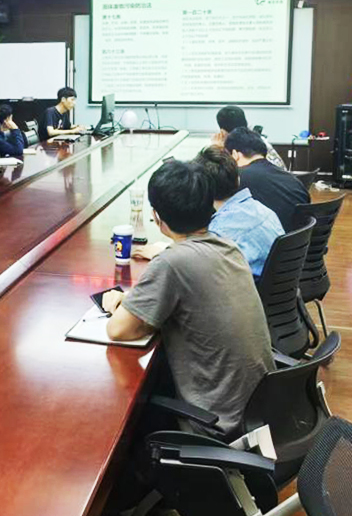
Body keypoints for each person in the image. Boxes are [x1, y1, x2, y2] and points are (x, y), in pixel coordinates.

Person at [100, 160, 273, 437]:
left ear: (157, 217)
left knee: (130, 410)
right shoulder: (228, 247)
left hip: (217, 425)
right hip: (258, 411)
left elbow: (118, 330)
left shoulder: (173, 262)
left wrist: (117, 305)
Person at [193, 146, 284, 277]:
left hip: (245, 288)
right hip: (275, 287)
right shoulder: (266, 212)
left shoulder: (217, 234)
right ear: (238, 179)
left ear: (202, 190)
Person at [224, 127, 310, 231]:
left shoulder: (237, 178)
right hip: (299, 238)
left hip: (268, 239)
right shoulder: (292, 179)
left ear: (235, 155)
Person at [212, 105, 285, 169]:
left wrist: (217, 149)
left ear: (223, 132)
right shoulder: (260, 141)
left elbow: (222, 174)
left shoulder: (235, 149)